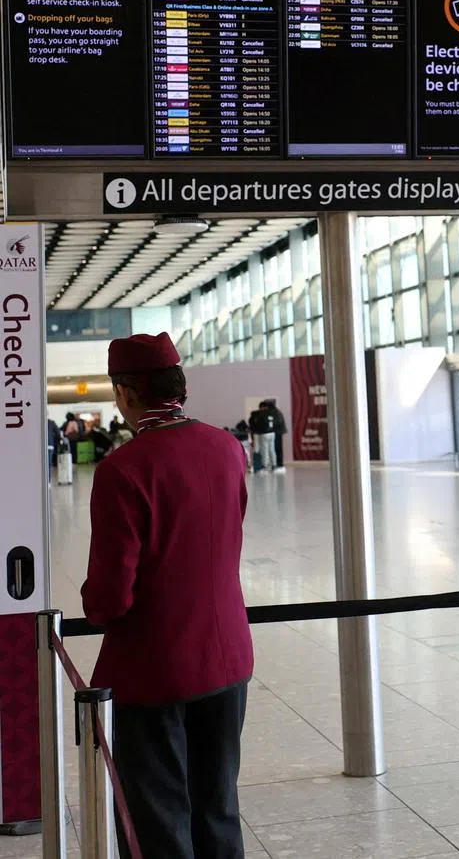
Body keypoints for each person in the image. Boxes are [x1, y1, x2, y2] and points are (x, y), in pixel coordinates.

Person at [81, 332, 252, 859]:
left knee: (157, 816)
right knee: (217, 804)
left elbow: (109, 597)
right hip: (227, 658)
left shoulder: (124, 469)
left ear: (127, 392)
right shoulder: (227, 447)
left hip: (153, 670)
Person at [248, 402, 277, 472]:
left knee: (264, 450)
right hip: (272, 433)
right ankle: (274, 465)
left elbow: (256, 424)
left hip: (264, 434)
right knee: (272, 449)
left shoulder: (260, 414)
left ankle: (265, 466)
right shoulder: (272, 413)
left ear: (262, 407)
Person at [264, 397, 287, 474]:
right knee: (275, 449)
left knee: (277, 449)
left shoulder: (274, 412)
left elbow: (276, 423)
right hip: (276, 433)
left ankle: (279, 465)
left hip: (277, 433)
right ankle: (276, 465)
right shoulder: (276, 411)